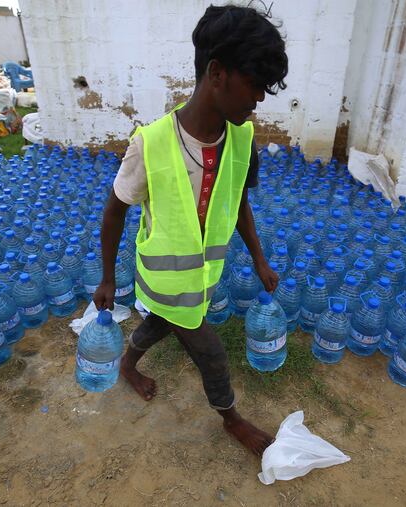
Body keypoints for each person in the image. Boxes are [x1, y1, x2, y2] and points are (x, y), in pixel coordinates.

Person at [93, 5, 288, 457]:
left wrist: (259, 259)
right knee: (211, 353)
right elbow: (113, 212)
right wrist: (107, 277)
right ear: (217, 72)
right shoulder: (152, 143)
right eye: (253, 84)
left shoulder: (240, 140)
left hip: (200, 278)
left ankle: (127, 363)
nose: (257, 99)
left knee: (162, 322)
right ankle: (232, 420)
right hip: (163, 277)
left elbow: (239, 201)